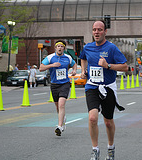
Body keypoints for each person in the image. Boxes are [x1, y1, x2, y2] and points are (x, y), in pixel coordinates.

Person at [79, 20, 128, 160]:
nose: (96, 32)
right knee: (92, 118)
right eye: (94, 29)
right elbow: (82, 58)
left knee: (108, 121)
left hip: (108, 88)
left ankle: (111, 147)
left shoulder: (111, 48)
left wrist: (108, 66)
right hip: (92, 86)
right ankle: (95, 149)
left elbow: (124, 67)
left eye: (100, 29)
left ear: (105, 32)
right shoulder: (88, 47)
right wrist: (83, 70)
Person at [39, 40, 77, 136]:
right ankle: (63, 119)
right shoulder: (50, 57)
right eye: (58, 46)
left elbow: (74, 64)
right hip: (54, 84)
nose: (60, 48)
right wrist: (52, 65)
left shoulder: (67, 57)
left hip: (65, 84)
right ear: (55, 48)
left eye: (61, 46)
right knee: (57, 106)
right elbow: (41, 68)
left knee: (61, 105)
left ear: (64, 48)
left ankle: (59, 126)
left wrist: (74, 70)